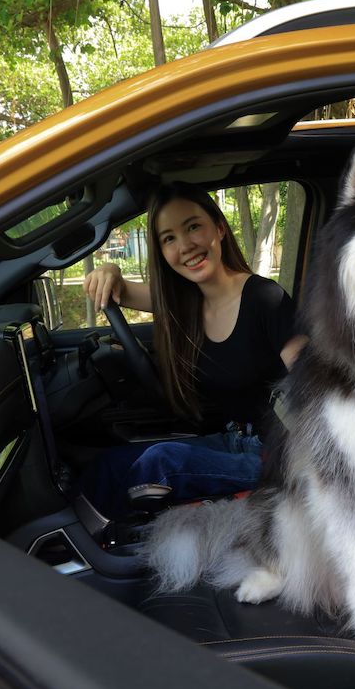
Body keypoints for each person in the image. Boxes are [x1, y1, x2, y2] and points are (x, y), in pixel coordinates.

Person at [80, 182, 306, 519]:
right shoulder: (186, 302)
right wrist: (108, 269)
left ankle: (109, 554)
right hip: (234, 440)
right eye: (169, 238)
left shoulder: (265, 300)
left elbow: (317, 389)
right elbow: (117, 289)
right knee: (110, 464)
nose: (185, 246)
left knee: (161, 462)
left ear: (219, 228)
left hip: (280, 454)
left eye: (193, 227)